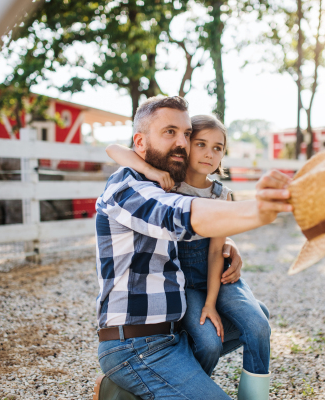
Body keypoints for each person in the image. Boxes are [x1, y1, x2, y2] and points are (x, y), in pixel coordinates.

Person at [95, 95, 292, 399]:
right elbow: (177, 213)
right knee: (211, 343)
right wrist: (259, 210)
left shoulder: (167, 183)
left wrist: (228, 241)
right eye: (169, 132)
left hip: (173, 336)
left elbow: (197, 228)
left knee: (256, 318)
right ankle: (124, 385)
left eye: (187, 134)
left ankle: (132, 390)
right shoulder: (128, 186)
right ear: (140, 141)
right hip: (136, 345)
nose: (182, 143)